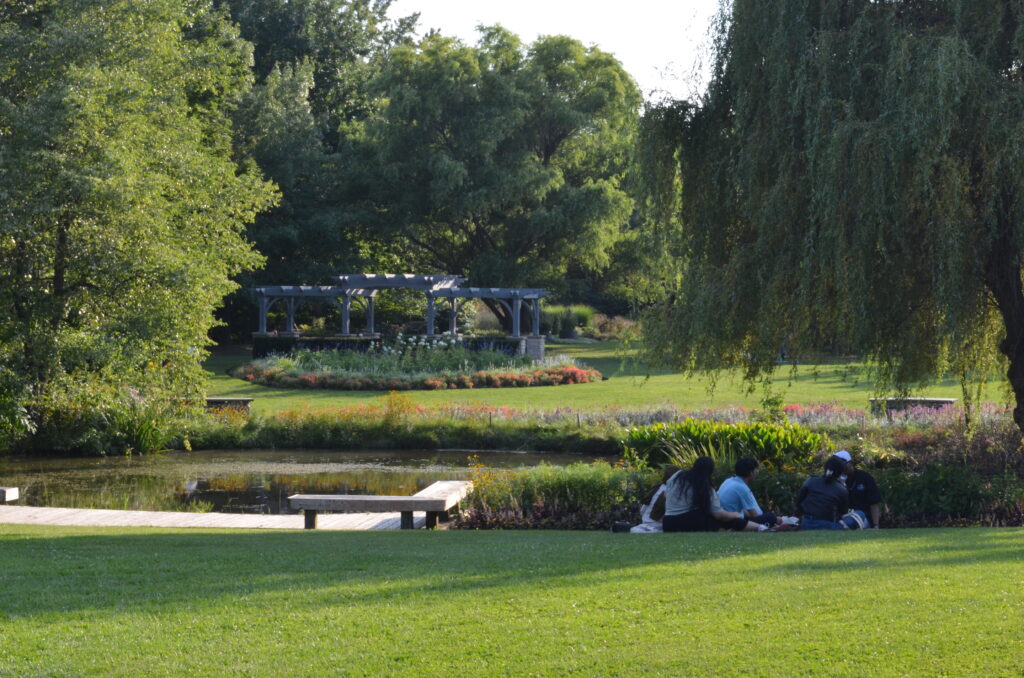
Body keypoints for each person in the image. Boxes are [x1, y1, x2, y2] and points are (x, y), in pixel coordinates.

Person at [663, 456, 763, 532]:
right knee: (729, 521)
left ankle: (760, 527)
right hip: (686, 522)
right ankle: (761, 527)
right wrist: (736, 514)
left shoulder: (677, 476)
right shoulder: (705, 488)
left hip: (667, 522)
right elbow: (720, 515)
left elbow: (665, 494)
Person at [796, 455, 868, 530]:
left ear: (825, 468)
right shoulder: (841, 489)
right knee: (860, 513)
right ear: (841, 472)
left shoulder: (810, 481)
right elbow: (844, 512)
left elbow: (799, 502)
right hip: (828, 525)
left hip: (807, 523)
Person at [718, 458, 780, 527]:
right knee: (771, 517)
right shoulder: (742, 487)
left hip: (724, 517)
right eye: (756, 470)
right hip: (733, 521)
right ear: (751, 473)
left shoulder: (729, 481)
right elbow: (755, 515)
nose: (757, 472)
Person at [835, 450, 882, 528]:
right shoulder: (836, 480)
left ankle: (840, 526)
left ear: (851, 464)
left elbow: (874, 503)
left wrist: (876, 525)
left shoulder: (865, 477)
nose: (843, 468)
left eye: (845, 465)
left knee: (857, 514)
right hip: (843, 517)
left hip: (862, 517)